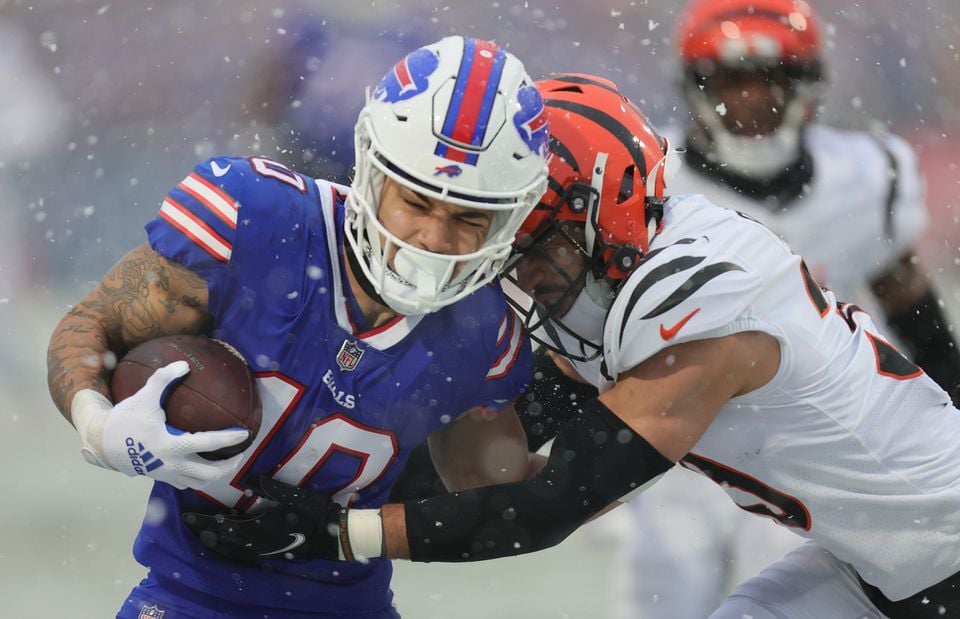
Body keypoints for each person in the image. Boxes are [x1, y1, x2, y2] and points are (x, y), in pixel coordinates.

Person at [188, 73, 960, 619]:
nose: (504, 261)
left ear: (603, 211)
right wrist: (312, 488)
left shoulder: (701, 298)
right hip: (869, 559)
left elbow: (547, 504)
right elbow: (494, 450)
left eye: (524, 234)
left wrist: (331, 533)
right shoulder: (607, 282)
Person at [46, 35, 551, 619]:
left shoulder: (480, 334)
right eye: (416, 201)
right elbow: (89, 324)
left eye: (469, 217)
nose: (435, 240)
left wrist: (616, 460)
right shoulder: (260, 223)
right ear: (372, 171)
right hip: (189, 598)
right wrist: (98, 425)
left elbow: (492, 487)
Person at [611, 0, 960, 615]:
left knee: (772, 573)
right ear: (695, 86)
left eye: (769, 79)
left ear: (806, 86)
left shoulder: (865, 176)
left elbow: (912, 308)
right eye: (730, 80)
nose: (751, 99)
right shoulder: (646, 179)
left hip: (806, 447)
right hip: (679, 444)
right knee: (664, 586)